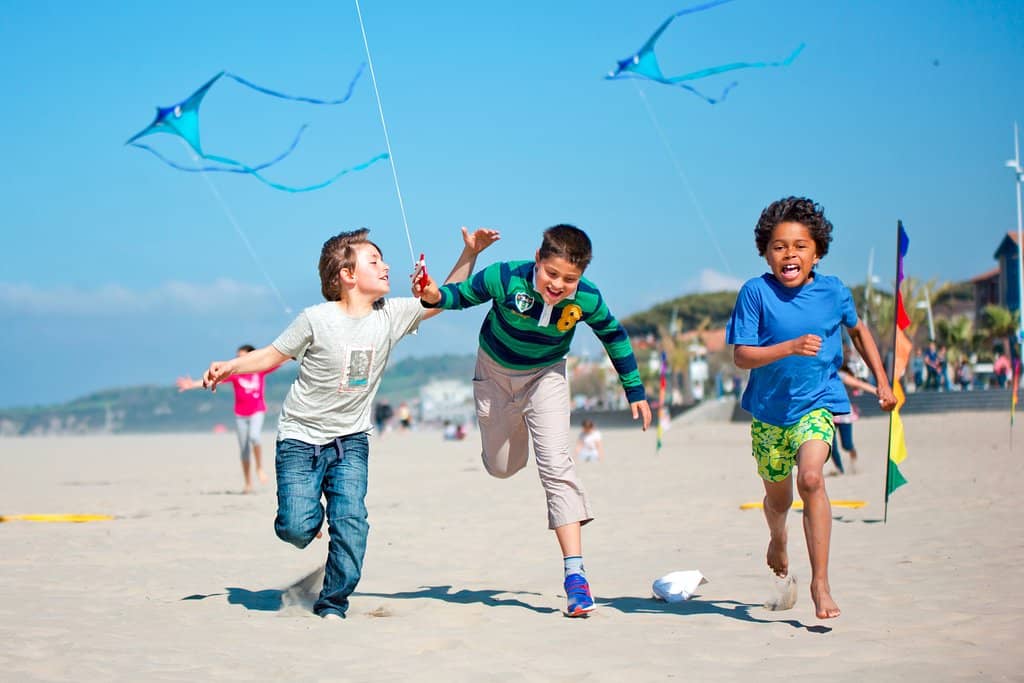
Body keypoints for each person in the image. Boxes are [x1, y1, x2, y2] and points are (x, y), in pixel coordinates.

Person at [201, 226, 499, 619]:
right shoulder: (315, 319)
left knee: (351, 520)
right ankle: (309, 518)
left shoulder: (391, 314)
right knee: (295, 527)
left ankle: (332, 602)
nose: (386, 265)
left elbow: (442, 298)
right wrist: (231, 367)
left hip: (351, 440)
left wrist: (470, 252)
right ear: (347, 275)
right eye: (374, 261)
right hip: (299, 439)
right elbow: (272, 356)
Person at [416, 223, 651, 617]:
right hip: (493, 374)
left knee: (557, 465)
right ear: (538, 259)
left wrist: (635, 390)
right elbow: (459, 296)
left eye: (569, 279)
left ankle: (576, 578)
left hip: (546, 376)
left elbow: (614, 335)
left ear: (582, 277)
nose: (558, 285)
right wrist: (433, 293)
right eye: (551, 274)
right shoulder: (506, 276)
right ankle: (521, 428)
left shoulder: (587, 299)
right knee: (503, 467)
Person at [726, 197, 896, 619]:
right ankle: (778, 538)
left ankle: (821, 582)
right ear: (766, 252)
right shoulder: (755, 293)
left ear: (817, 252)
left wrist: (881, 379)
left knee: (813, 478)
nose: (790, 254)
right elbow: (742, 356)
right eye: (779, 246)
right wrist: (789, 347)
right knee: (778, 500)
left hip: (817, 403)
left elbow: (860, 332)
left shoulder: (834, 292)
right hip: (768, 413)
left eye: (800, 246)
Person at [177, 345, 282, 493]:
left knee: (255, 437)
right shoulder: (235, 373)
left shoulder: (260, 369)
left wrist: (297, 350)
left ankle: (259, 468)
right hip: (240, 414)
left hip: (257, 411)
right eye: (237, 357)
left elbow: (278, 358)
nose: (239, 360)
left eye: (243, 357)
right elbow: (213, 379)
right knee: (244, 449)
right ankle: (248, 483)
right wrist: (191, 385)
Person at [830, 362, 878, 476]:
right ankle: (839, 469)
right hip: (828, 415)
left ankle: (854, 462)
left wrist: (877, 390)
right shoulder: (819, 375)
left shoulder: (839, 375)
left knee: (847, 445)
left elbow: (857, 383)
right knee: (830, 445)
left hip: (844, 414)